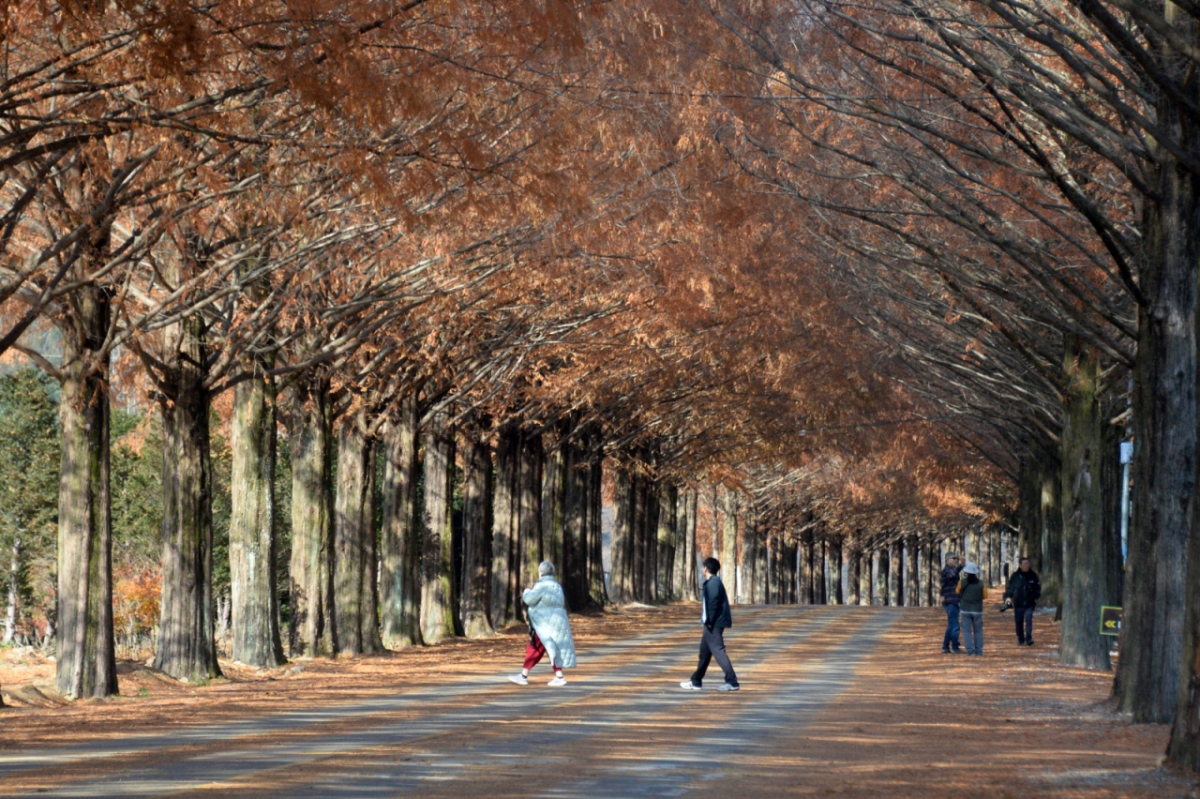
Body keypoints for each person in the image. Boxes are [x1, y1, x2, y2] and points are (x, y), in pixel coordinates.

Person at [509, 561, 577, 687]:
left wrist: (526, 591)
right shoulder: (557, 586)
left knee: (535, 648)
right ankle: (557, 676)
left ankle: (524, 676)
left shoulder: (541, 586)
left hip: (544, 623)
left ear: (541, 572)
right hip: (557, 622)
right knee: (550, 648)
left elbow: (530, 599)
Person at [680, 557, 740, 692]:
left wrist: (709, 621)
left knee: (718, 651)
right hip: (712, 623)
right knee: (704, 653)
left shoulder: (713, 583)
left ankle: (732, 681)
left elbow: (712, 604)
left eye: (703, 567)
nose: (702, 569)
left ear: (706, 568)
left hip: (714, 623)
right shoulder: (714, 582)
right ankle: (696, 681)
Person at [1003, 557, 1041, 646]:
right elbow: (1010, 588)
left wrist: (1036, 596)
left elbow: (1037, 587)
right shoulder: (1015, 576)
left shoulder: (1033, 575)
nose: (1027, 565)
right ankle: (1020, 638)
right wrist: (1008, 597)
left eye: (1028, 563)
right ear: (1020, 565)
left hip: (1030, 603)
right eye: (1025, 564)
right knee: (1019, 621)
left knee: (1029, 620)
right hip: (1018, 603)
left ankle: (1029, 638)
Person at [956, 562, 987, 656]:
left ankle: (970, 650)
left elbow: (957, 591)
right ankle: (979, 651)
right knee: (978, 631)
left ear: (966, 572)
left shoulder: (962, 582)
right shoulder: (981, 583)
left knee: (967, 631)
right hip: (977, 610)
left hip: (965, 609)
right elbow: (985, 596)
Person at [940, 553, 964, 654]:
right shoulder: (946, 570)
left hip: (954, 600)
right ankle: (954, 646)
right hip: (950, 601)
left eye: (956, 559)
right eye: (953, 558)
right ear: (947, 560)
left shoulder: (953, 570)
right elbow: (951, 575)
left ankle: (945, 647)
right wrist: (961, 566)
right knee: (955, 625)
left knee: (951, 624)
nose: (955, 560)